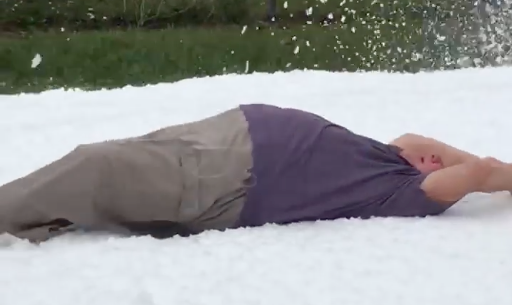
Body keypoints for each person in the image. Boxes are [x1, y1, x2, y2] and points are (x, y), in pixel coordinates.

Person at [0, 103, 510, 243]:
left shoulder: (400, 191)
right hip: (219, 138)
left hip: (226, 179)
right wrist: (437, 155)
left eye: (439, 166)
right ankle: (36, 215)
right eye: (436, 157)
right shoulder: (390, 153)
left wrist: (474, 173)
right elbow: (420, 142)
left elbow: (481, 170)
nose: (434, 158)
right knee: (107, 161)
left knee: (97, 165)